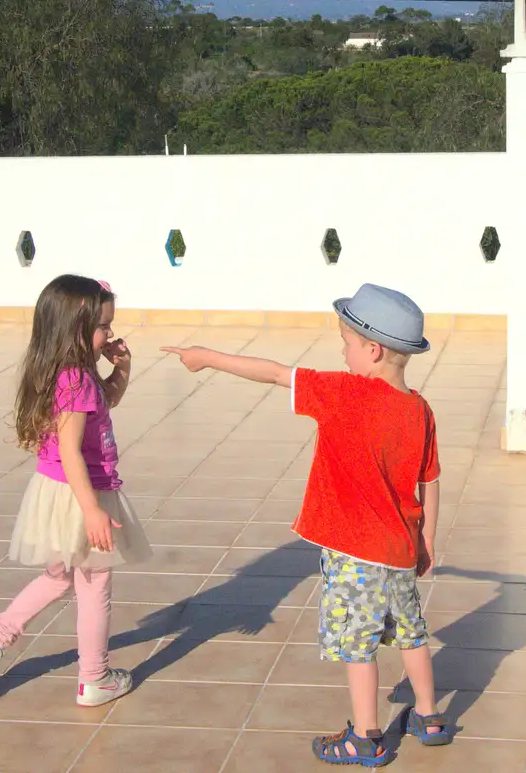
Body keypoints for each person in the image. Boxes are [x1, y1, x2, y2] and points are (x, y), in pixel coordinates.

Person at [163, 283, 449, 767]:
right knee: (411, 632)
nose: (343, 351)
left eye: (348, 343)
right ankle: (429, 716)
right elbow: (431, 480)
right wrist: (426, 540)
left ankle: (365, 736)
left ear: (373, 350)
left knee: (358, 647)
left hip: (354, 556)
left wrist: (207, 356)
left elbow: (274, 373)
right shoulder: (420, 409)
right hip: (400, 550)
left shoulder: (341, 394)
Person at [0, 274, 152, 706]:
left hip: (64, 491)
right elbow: (71, 451)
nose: (110, 334)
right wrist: (92, 509)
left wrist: (120, 366)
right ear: (76, 330)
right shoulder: (76, 380)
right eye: (103, 327)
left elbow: (109, 399)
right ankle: (94, 677)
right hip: (80, 492)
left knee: (61, 576)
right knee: (95, 581)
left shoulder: (73, 373)